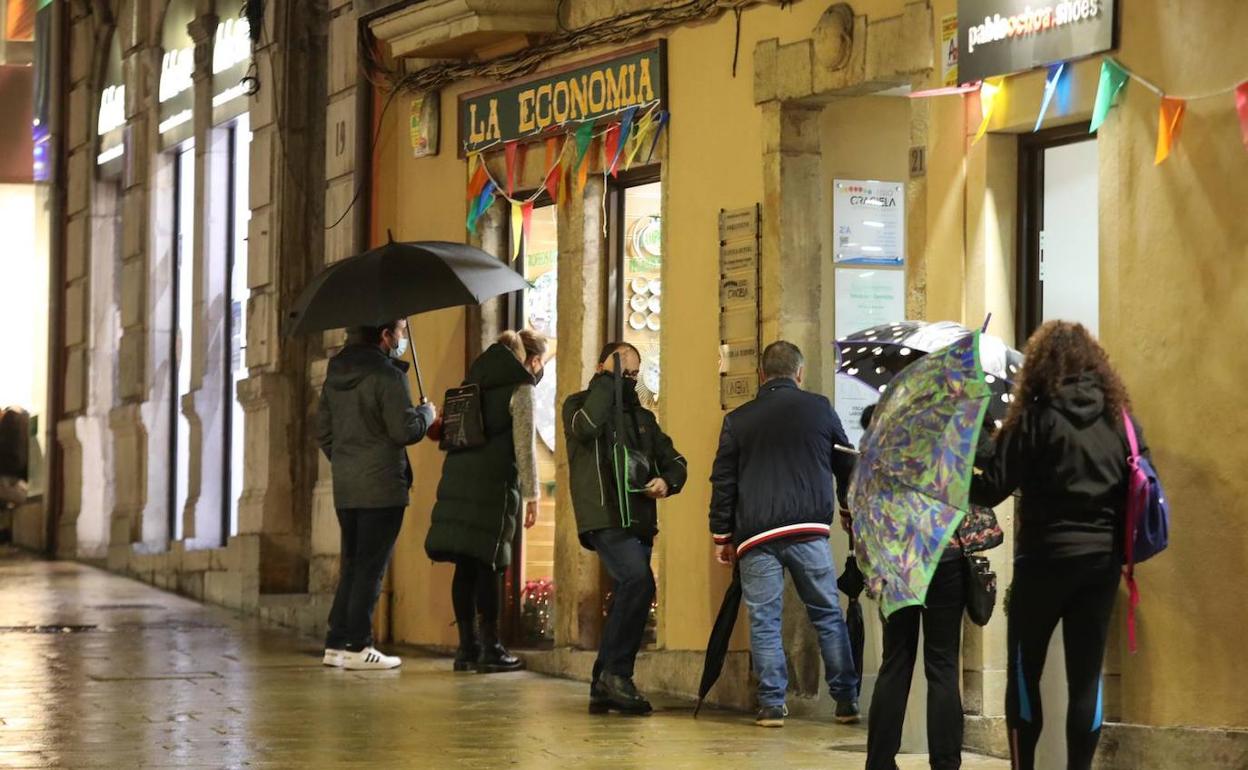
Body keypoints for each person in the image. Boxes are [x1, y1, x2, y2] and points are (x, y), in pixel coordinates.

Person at [971, 320, 1147, 770]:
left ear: (1040, 365)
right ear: (1095, 366)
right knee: (1086, 677)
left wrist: (980, 447)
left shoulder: (1033, 417)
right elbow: (1136, 481)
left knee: (1024, 672)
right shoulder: (1120, 420)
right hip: (1101, 563)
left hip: (1043, 560)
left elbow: (991, 489)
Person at [709, 340, 860, 728]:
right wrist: (848, 511)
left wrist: (722, 536)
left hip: (757, 535)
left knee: (764, 619)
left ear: (761, 375)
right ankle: (846, 700)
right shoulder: (819, 408)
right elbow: (846, 464)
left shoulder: (738, 419)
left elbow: (723, 481)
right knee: (827, 613)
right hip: (809, 531)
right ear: (799, 373)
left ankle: (772, 704)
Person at [563, 342, 687, 715]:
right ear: (603, 368)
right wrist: (608, 381)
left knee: (628, 591)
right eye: (622, 372)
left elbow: (675, 460)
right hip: (604, 516)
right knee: (639, 582)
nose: (628, 381)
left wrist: (667, 481)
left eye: (633, 375)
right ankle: (618, 674)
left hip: (639, 518)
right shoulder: (578, 405)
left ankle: (603, 682)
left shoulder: (644, 420)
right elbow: (585, 428)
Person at [425, 330, 547, 673]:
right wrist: (532, 495)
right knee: (491, 564)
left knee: (465, 565)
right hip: (492, 485)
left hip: (457, 480)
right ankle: (491, 649)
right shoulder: (520, 389)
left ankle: (467, 649)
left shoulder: (471, 382)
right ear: (529, 359)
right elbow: (524, 446)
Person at [316, 320, 435, 670]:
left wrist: (347, 462)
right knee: (371, 566)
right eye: (399, 330)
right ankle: (358, 645)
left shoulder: (335, 376)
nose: (401, 338)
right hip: (382, 485)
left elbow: (323, 432)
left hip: (347, 486)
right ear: (384, 336)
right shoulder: (388, 376)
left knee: (353, 563)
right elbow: (404, 430)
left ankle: (336, 643)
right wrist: (426, 414)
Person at [863, 393, 970, 769]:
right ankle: (945, 763)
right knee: (941, 665)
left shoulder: (877, 443)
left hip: (898, 559)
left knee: (896, 661)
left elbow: (865, 503)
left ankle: (879, 761)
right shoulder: (945, 434)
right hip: (944, 554)